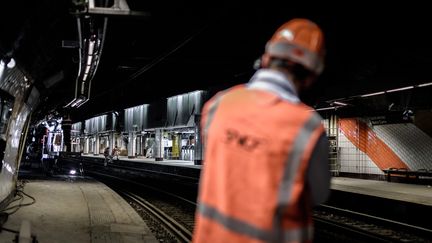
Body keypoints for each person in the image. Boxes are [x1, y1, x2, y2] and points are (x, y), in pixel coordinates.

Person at [192, 18, 331, 243]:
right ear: (311, 76)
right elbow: (319, 194)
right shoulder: (307, 125)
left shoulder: (218, 105)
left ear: (266, 58)